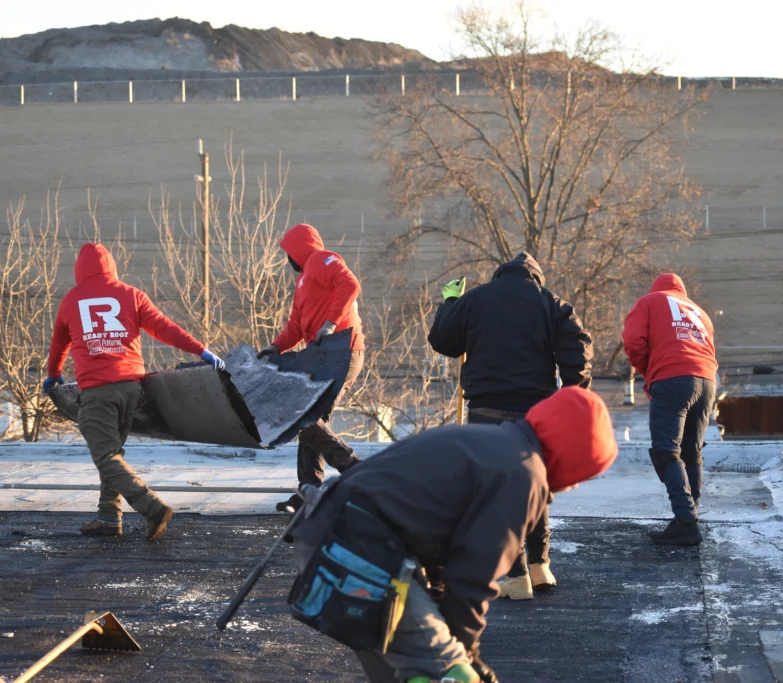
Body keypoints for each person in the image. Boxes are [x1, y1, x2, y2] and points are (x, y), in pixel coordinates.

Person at [290, 386, 618, 683]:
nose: (574, 485)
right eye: (582, 474)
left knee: (401, 672)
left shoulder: (490, 444)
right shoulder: (521, 474)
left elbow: (434, 540)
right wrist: (467, 658)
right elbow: (473, 577)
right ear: (572, 454)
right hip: (359, 550)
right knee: (451, 674)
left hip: (331, 532)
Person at [427, 252, 593, 600]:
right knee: (535, 485)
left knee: (497, 492)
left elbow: (443, 341)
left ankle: (516, 577)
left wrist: (450, 302)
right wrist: (575, 394)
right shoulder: (551, 303)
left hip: (487, 410)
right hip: (535, 411)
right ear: (535, 277)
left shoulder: (475, 298)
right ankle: (540, 566)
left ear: (502, 274)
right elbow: (577, 350)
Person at [43, 243, 224, 541]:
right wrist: (201, 350)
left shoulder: (71, 301)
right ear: (111, 266)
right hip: (131, 390)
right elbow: (164, 327)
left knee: (105, 456)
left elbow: (58, 346)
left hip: (98, 391)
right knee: (113, 453)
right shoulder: (131, 294)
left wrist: (53, 377)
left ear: (80, 269)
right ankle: (108, 517)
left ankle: (152, 507)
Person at [257, 223, 364, 513]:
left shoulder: (319, 259)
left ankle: (356, 471)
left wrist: (330, 323)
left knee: (307, 418)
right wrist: (275, 347)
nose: (288, 260)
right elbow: (295, 325)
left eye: (288, 253)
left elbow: (350, 284)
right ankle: (310, 492)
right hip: (325, 354)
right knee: (308, 420)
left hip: (341, 349)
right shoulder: (304, 280)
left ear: (298, 250)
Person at [622, 273, 718, 546]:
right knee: (691, 451)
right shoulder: (700, 312)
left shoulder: (649, 301)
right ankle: (689, 516)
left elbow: (632, 341)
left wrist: (648, 371)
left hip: (672, 379)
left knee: (667, 451)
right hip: (707, 380)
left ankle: (686, 522)